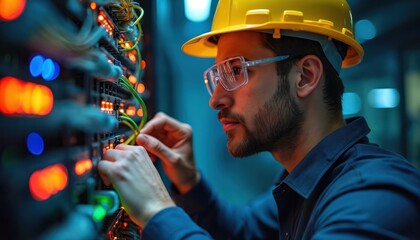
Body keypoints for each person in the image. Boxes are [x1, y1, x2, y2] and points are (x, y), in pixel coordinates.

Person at [97, 0, 420, 239]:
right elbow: (241, 232)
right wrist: (188, 180)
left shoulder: (373, 199)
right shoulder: (307, 181)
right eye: (217, 76)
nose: (216, 99)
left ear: (305, 77)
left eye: (237, 71)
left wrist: (157, 212)